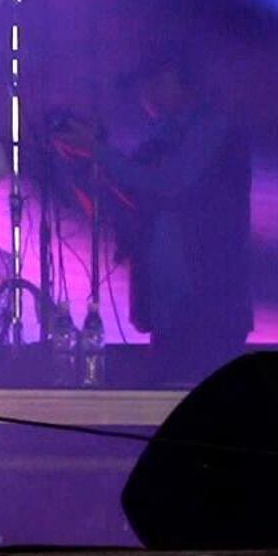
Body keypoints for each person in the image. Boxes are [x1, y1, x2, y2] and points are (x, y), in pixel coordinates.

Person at [56, 45, 252, 385]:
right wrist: (80, 162)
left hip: (210, 302)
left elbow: (170, 182)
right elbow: (124, 202)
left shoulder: (213, 128)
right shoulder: (158, 141)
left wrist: (98, 151)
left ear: (181, 80)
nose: (146, 93)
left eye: (155, 80)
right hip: (169, 307)